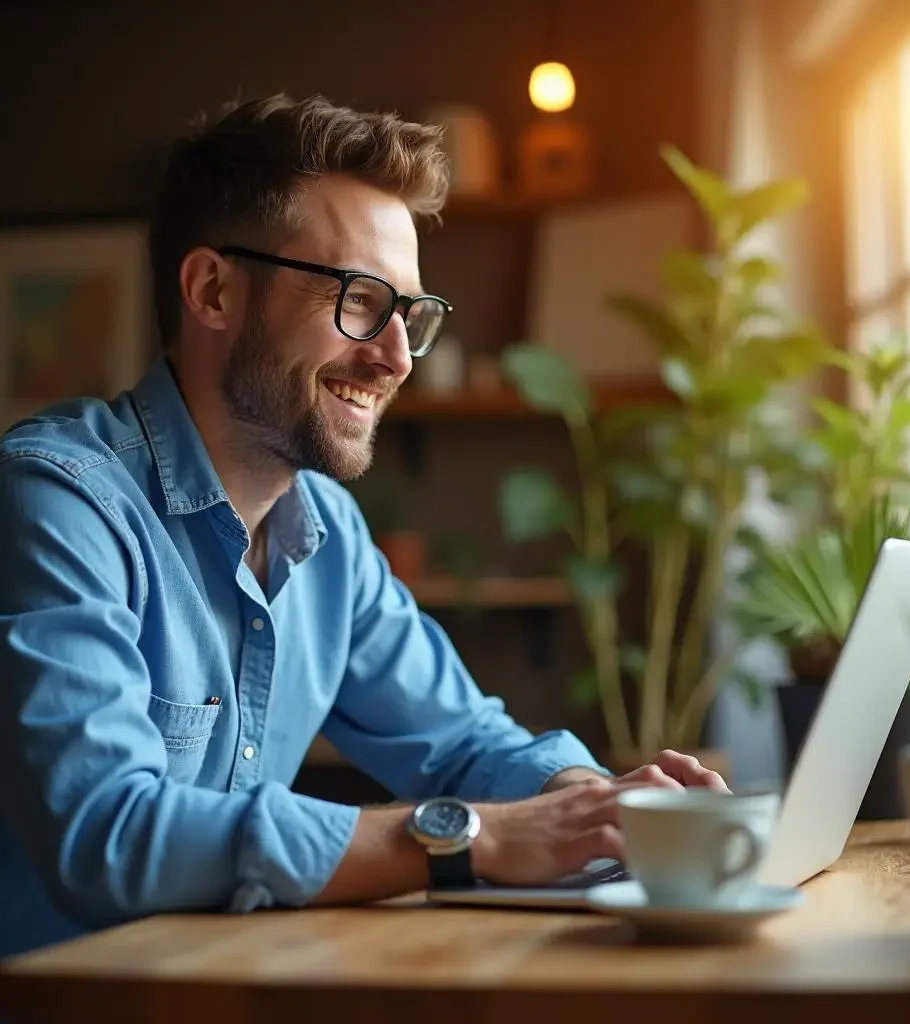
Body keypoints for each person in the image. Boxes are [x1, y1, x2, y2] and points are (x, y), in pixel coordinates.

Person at [0, 94, 726, 959]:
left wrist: (592, 805)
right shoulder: (57, 499)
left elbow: (462, 741)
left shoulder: (327, 535)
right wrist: (470, 838)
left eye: (411, 314)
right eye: (358, 300)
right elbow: (106, 833)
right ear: (212, 290)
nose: (397, 356)